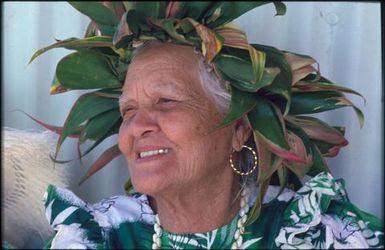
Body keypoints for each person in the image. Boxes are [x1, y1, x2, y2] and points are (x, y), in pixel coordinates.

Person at [30, 2, 383, 249]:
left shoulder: (316, 232)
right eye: (128, 110)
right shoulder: (101, 236)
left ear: (239, 130)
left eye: (166, 101)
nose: (137, 126)